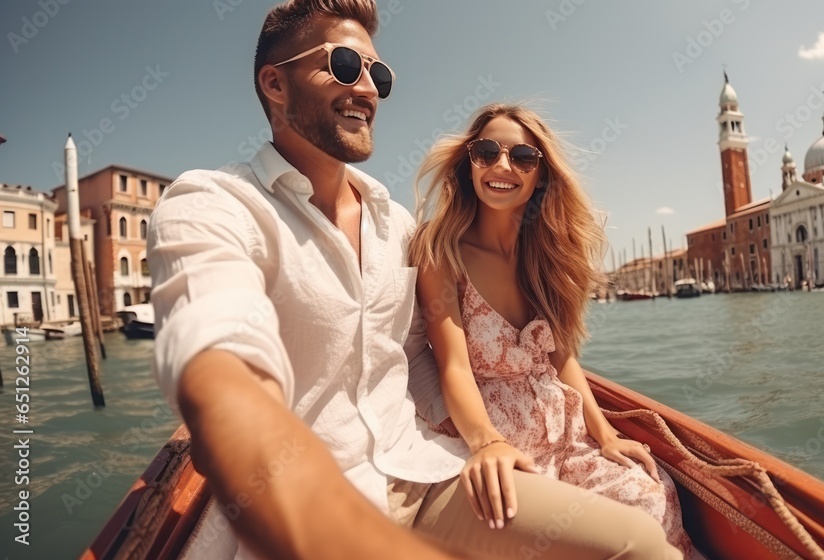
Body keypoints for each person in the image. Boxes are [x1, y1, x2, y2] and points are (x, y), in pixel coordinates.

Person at [149, 1, 676, 559]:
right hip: (312, 501)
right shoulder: (214, 204)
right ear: (275, 84)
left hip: (426, 470)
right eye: (346, 66)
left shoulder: (395, 224)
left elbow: (417, 356)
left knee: (640, 544)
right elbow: (223, 375)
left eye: (377, 75)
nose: (368, 90)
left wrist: (486, 440)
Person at [407, 103, 693, 557]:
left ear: (540, 174)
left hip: (568, 432)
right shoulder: (441, 248)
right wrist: (487, 444)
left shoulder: (545, 256)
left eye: (522, 157)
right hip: (502, 443)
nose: (503, 166)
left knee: (653, 497)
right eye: (486, 152)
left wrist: (605, 435)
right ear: (468, 163)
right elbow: (455, 369)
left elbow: (561, 357)